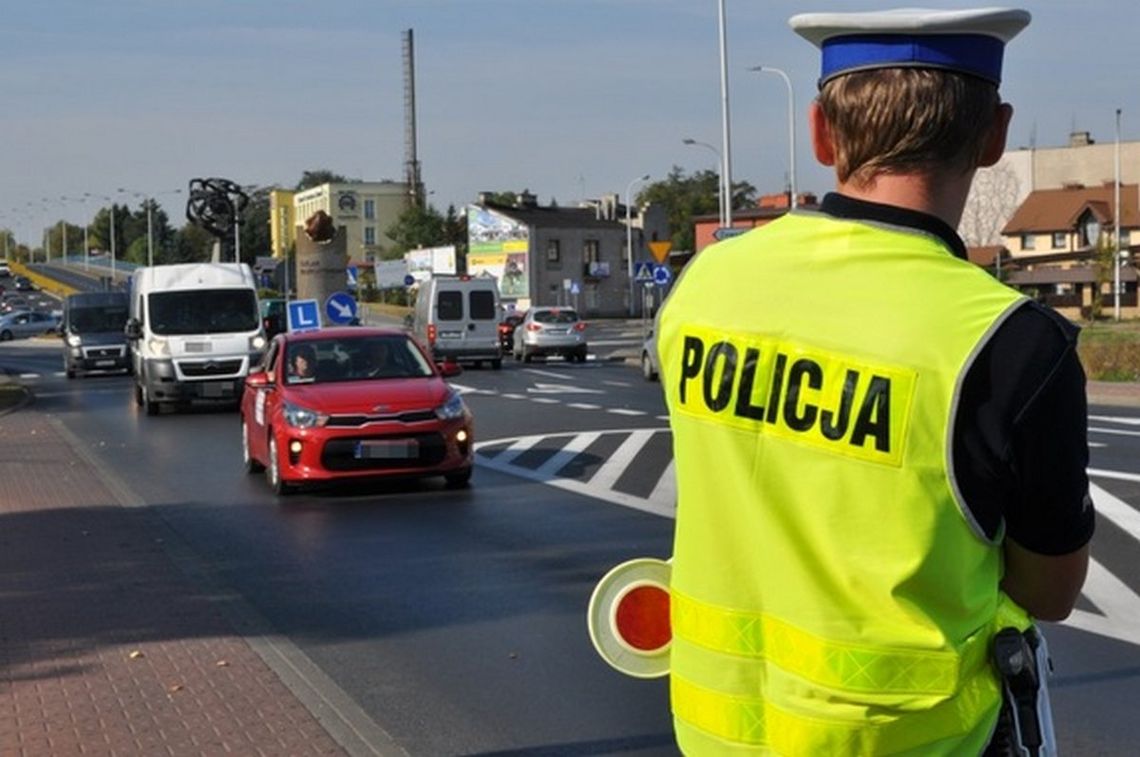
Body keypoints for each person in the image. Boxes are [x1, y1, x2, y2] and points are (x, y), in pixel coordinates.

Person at [656, 8, 1093, 755]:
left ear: (822, 134)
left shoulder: (702, 285)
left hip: (718, 735)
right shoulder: (1013, 344)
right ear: (995, 136)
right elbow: (1050, 592)